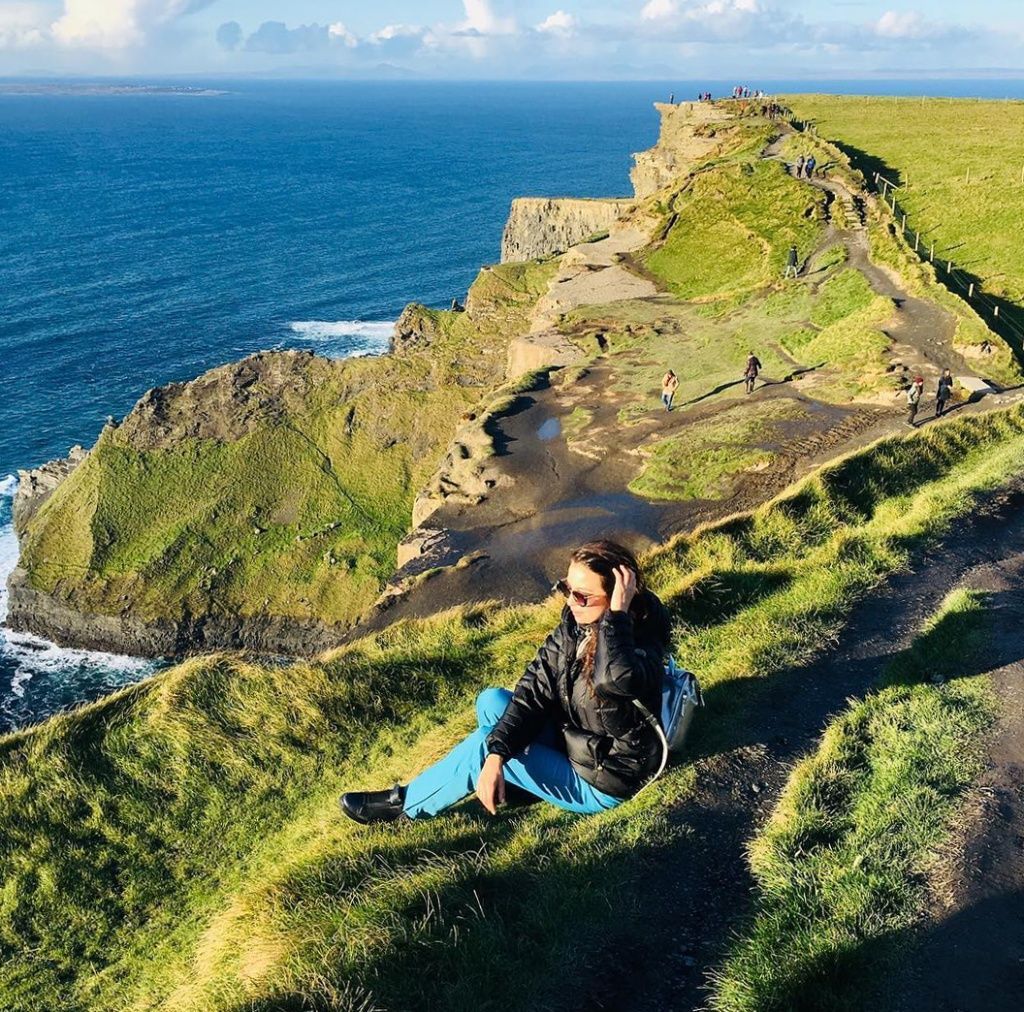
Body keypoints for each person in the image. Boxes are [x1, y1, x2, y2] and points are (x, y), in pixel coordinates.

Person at [338, 540, 673, 825]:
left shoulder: (639, 645)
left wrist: (615, 618)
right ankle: (512, 783)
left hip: (604, 778)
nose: (571, 602)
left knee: (483, 746)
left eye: (582, 596)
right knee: (492, 701)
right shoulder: (575, 627)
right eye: (566, 589)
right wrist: (500, 754)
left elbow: (615, 679)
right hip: (576, 741)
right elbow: (532, 691)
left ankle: (405, 807)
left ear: (619, 598)